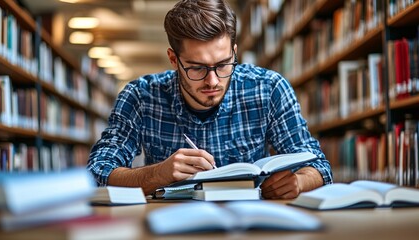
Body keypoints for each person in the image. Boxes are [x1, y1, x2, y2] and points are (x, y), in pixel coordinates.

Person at [87, 0, 333, 199]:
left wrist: (298, 182)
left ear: (234, 52)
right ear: (174, 59)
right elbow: (97, 172)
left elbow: (320, 167)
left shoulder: (269, 89)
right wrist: (158, 173)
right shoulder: (140, 97)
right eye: (197, 68)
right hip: (171, 224)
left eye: (223, 64)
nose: (213, 81)